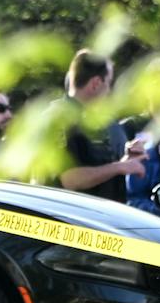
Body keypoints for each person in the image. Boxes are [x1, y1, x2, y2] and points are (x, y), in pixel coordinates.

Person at [57, 50, 146, 203]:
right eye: (109, 82)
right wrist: (120, 167)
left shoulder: (96, 122)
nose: (109, 91)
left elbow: (100, 170)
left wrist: (126, 161)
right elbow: (70, 179)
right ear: (96, 83)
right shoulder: (60, 119)